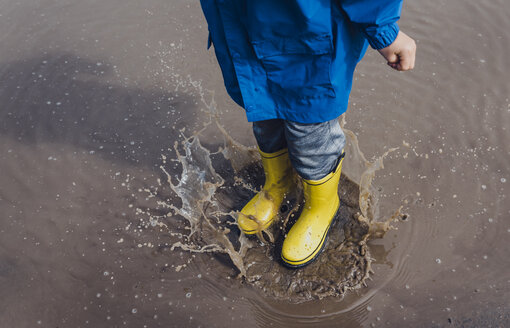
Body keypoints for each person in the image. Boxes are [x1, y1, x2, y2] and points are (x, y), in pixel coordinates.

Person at [199, 0, 416, 268]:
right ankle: (278, 184)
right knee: (265, 117)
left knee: (310, 132)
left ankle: (321, 206)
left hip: (305, 26)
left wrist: (383, 28)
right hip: (243, 21)